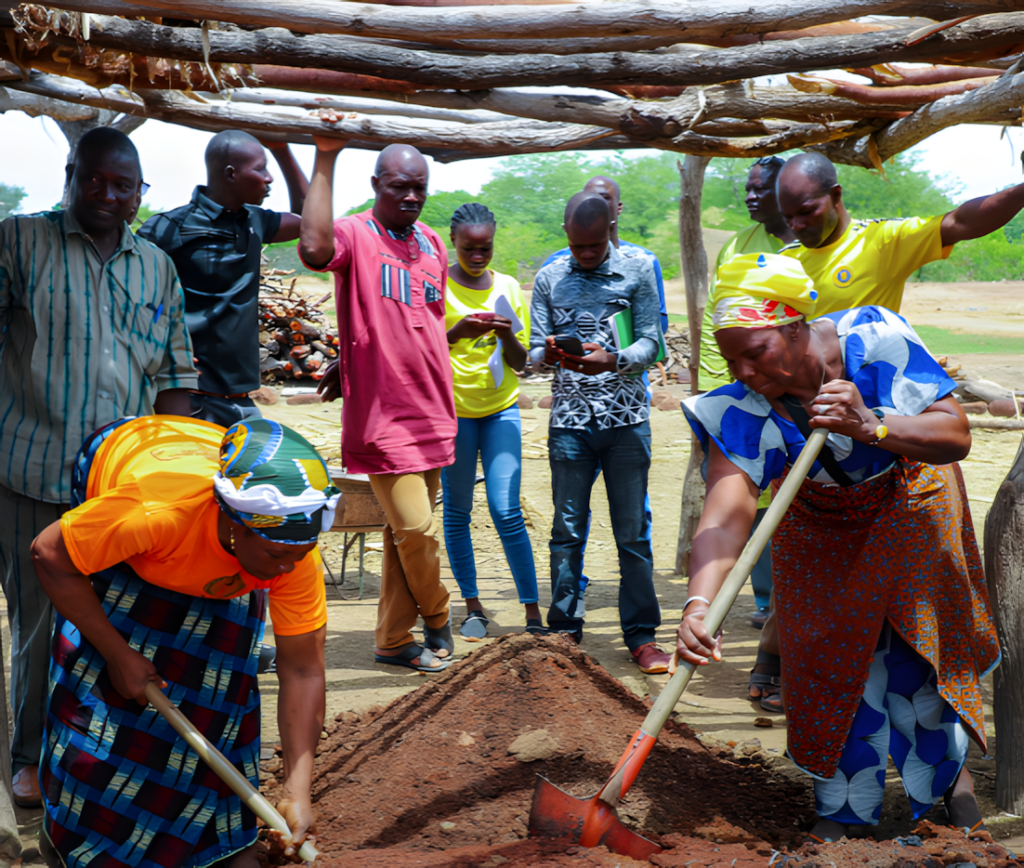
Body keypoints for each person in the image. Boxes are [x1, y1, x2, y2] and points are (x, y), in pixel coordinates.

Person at [675, 252, 999, 842]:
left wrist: (871, 425)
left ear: (796, 325)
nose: (744, 371)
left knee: (914, 657)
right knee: (829, 662)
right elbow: (725, 518)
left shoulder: (874, 339)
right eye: (731, 357)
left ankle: (947, 809)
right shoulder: (739, 409)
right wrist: (700, 603)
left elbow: (954, 434)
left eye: (757, 352)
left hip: (909, 510)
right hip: (818, 532)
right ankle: (845, 817)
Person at [748, 151, 1024, 714]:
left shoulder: (880, 243)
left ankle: (935, 700)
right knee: (805, 560)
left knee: (911, 568)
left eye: (806, 210)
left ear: (837, 194)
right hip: (814, 438)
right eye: (788, 215)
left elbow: (960, 222)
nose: (797, 224)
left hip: (885, 429)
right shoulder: (784, 263)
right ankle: (779, 663)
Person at [30, 415, 336, 868]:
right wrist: (117, 653)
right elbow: (50, 555)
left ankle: (217, 847)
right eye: (277, 555)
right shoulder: (153, 512)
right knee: (101, 709)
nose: (289, 569)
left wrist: (296, 789)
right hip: (129, 477)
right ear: (236, 523)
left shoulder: (287, 556)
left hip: (213, 552)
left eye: (300, 555)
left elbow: (303, 668)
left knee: (218, 696)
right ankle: (82, 843)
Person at [0, 127, 196, 807]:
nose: (107, 195)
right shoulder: (19, 242)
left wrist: (172, 469)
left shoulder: (157, 267)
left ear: (141, 193)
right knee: (37, 624)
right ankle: (28, 759)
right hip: (32, 473)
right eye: (94, 179)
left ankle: (93, 762)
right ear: (70, 174)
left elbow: (174, 374)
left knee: (117, 629)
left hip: (121, 492)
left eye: (123, 185)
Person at [300, 136, 456, 673]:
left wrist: (356, 353)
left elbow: (420, 320)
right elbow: (314, 251)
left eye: (420, 188)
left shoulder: (433, 242)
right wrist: (325, 155)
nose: (412, 197)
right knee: (418, 530)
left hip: (434, 408)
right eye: (399, 187)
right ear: (375, 186)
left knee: (400, 536)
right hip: (383, 418)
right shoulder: (354, 235)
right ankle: (438, 616)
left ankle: (393, 639)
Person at [530, 192, 668, 674]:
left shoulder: (637, 270)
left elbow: (654, 341)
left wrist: (616, 359)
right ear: (566, 233)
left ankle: (642, 634)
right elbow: (533, 351)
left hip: (627, 420)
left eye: (594, 244)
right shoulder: (549, 277)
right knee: (566, 531)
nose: (586, 255)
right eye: (577, 245)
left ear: (611, 225)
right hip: (569, 423)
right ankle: (565, 631)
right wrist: (547, 353)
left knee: (632, 533)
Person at [695, 156, 796, 710]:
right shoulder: (739, 245)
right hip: (755, 412)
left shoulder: (817, 254)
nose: (753, 196)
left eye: (765, 189)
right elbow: (726, 335)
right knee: (766, 526)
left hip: (829, 414)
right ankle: (773, 647)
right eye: (748, 187)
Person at [138, 130, 309, 428]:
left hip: (242, 398)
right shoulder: (169, 229)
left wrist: (283, 150)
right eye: (260, 169)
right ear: (231, 173)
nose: (269, 178)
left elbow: (311, 223)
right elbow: (134, 299)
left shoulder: (256, 221)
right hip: (189, 397)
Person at [441, 203, 541, 640]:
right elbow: (422, 350)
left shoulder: (506, 287)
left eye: (485, 248)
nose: (478, 256)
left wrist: (503, 333)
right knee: (458, 512)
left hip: (501, 408)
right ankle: (473, 606)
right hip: (454, 413)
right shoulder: (437, 287)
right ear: (453, 242)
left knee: (506, 510)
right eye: (469, 248)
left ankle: (533, 611)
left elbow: (522, 362)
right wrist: (455, 334)